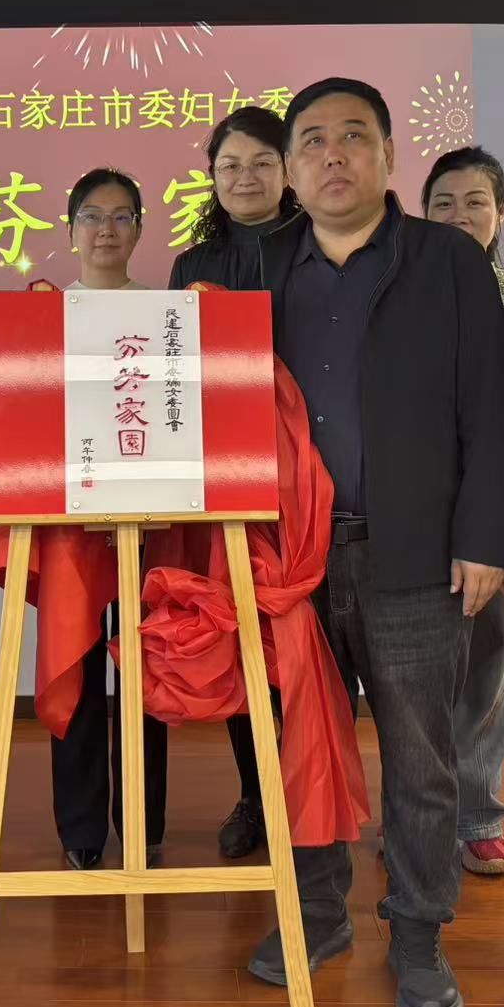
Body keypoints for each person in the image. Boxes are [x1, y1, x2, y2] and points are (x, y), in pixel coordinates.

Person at [249, 78, 504, 1007]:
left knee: (421, 759)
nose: (331, 155)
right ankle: (317, 914)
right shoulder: (258, 268)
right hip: (291, 560)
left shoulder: (445, 261)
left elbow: (490, 409)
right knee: (302, 748)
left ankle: (415, 936)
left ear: (389, 156)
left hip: (415, 555)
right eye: (311, 140)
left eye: (352, 136)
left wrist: (485, 539)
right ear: (288, 166)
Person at [169, 106, 300, 860]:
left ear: (286, 171)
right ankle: (256, 796)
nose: (243, 177)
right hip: (227, 481)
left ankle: (309, 798)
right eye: (228, 166)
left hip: (308, 481)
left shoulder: (318, 246)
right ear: (212, 178)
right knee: (245, 648)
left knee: (307, 655)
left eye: (259, 161)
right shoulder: (195, 266)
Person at [55, 168, 168, 868]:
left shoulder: (164, 315)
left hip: (148, 522)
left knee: (143, 676)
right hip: (67, 526)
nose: (105, 230)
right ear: (69, 231)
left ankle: (142, 827)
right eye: (91, 216)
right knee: (76, 672)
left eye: (121, 216)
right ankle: (80, 832)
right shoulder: (45, 316)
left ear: (139, 229)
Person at [422, 145, 504, 877]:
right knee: (417, 678)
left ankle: (476, 811)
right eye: (443, 204)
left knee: (492, 667)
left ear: (500, 214)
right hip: (414, 517)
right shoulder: (395, 297)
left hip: (496, 518)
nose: (459, 217)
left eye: (474, 203)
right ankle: (416, 814)